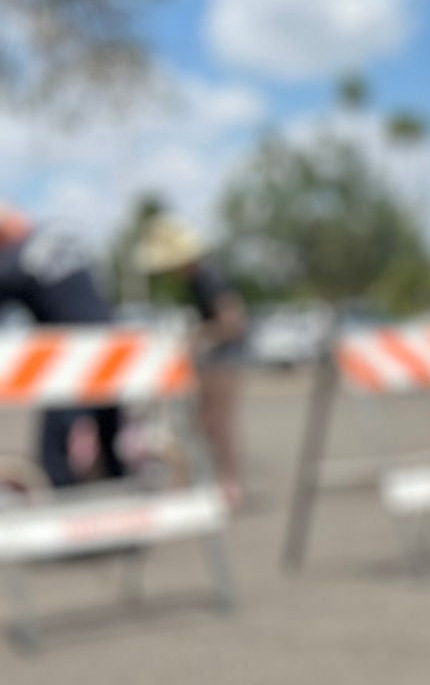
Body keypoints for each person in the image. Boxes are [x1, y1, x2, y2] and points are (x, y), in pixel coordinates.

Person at [0, 200, 126, 487]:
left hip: (72, 353)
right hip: (111, 343)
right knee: (110, 433)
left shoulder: (20, 254)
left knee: (54, 444)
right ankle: (122, 486)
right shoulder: (57, 239)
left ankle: (62, 495)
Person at [133, 214, 248, 510]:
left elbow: (232, 321)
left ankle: (228, 484)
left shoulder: (208, 278)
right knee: (207, 423)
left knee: (216, 423)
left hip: (223, 360)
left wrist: (195, 337)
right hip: (217, 358)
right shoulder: (200, 280)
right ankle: (219, 481)